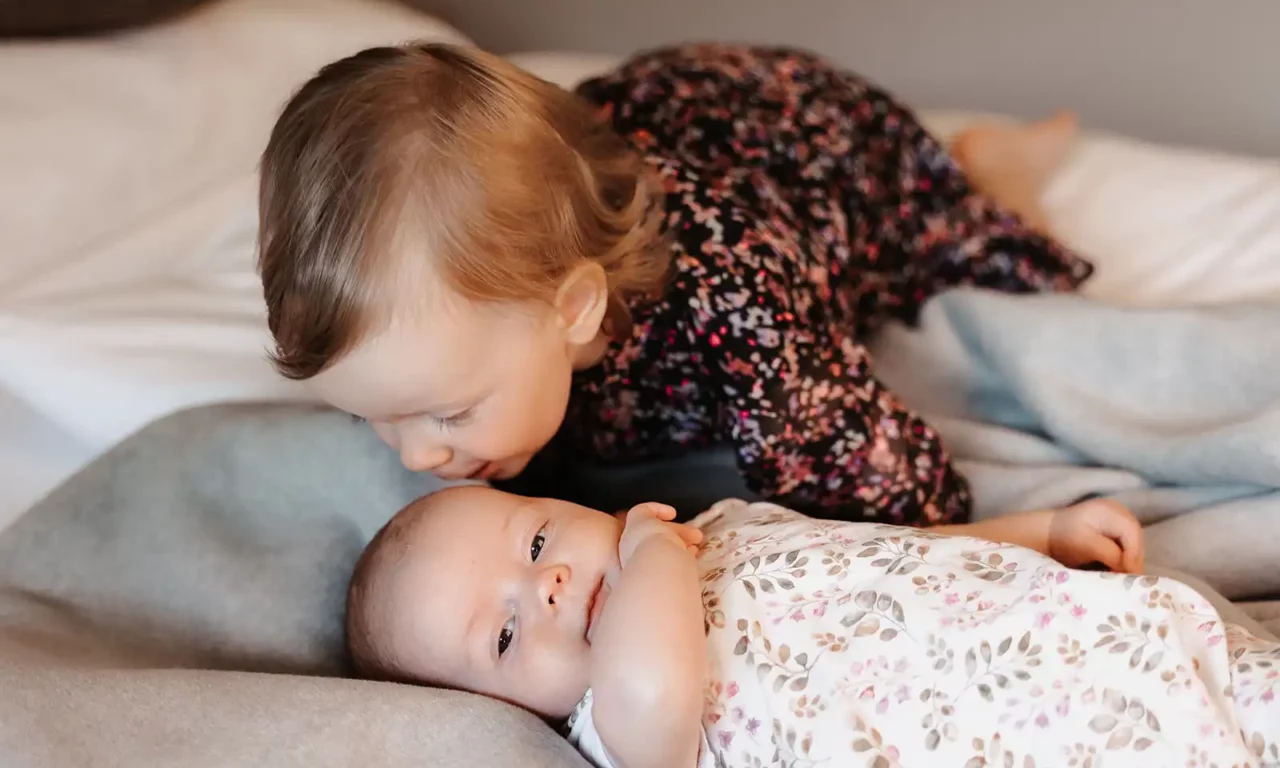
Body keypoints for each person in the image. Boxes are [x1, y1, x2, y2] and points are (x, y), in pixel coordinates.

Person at [257, 42, 1090, 524]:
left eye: (449, 413)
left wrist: (1018, 536)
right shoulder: (490, 324)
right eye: (374, 419)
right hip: (617, 134)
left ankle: (995, 170)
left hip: (805, 141)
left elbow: (894, 485)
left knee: (995, 272)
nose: (419, 454)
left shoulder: (737, 303)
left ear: (576, 307)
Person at [345, 485, 1278, 768]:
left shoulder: (717, 526)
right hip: (1030, 743)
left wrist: (1039, 530)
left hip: (1092, 637)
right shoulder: (618, 722)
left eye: (537, 536)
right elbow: (657, 685)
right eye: (503, 637)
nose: (544, 584)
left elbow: (894, 545)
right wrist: (655, 561)